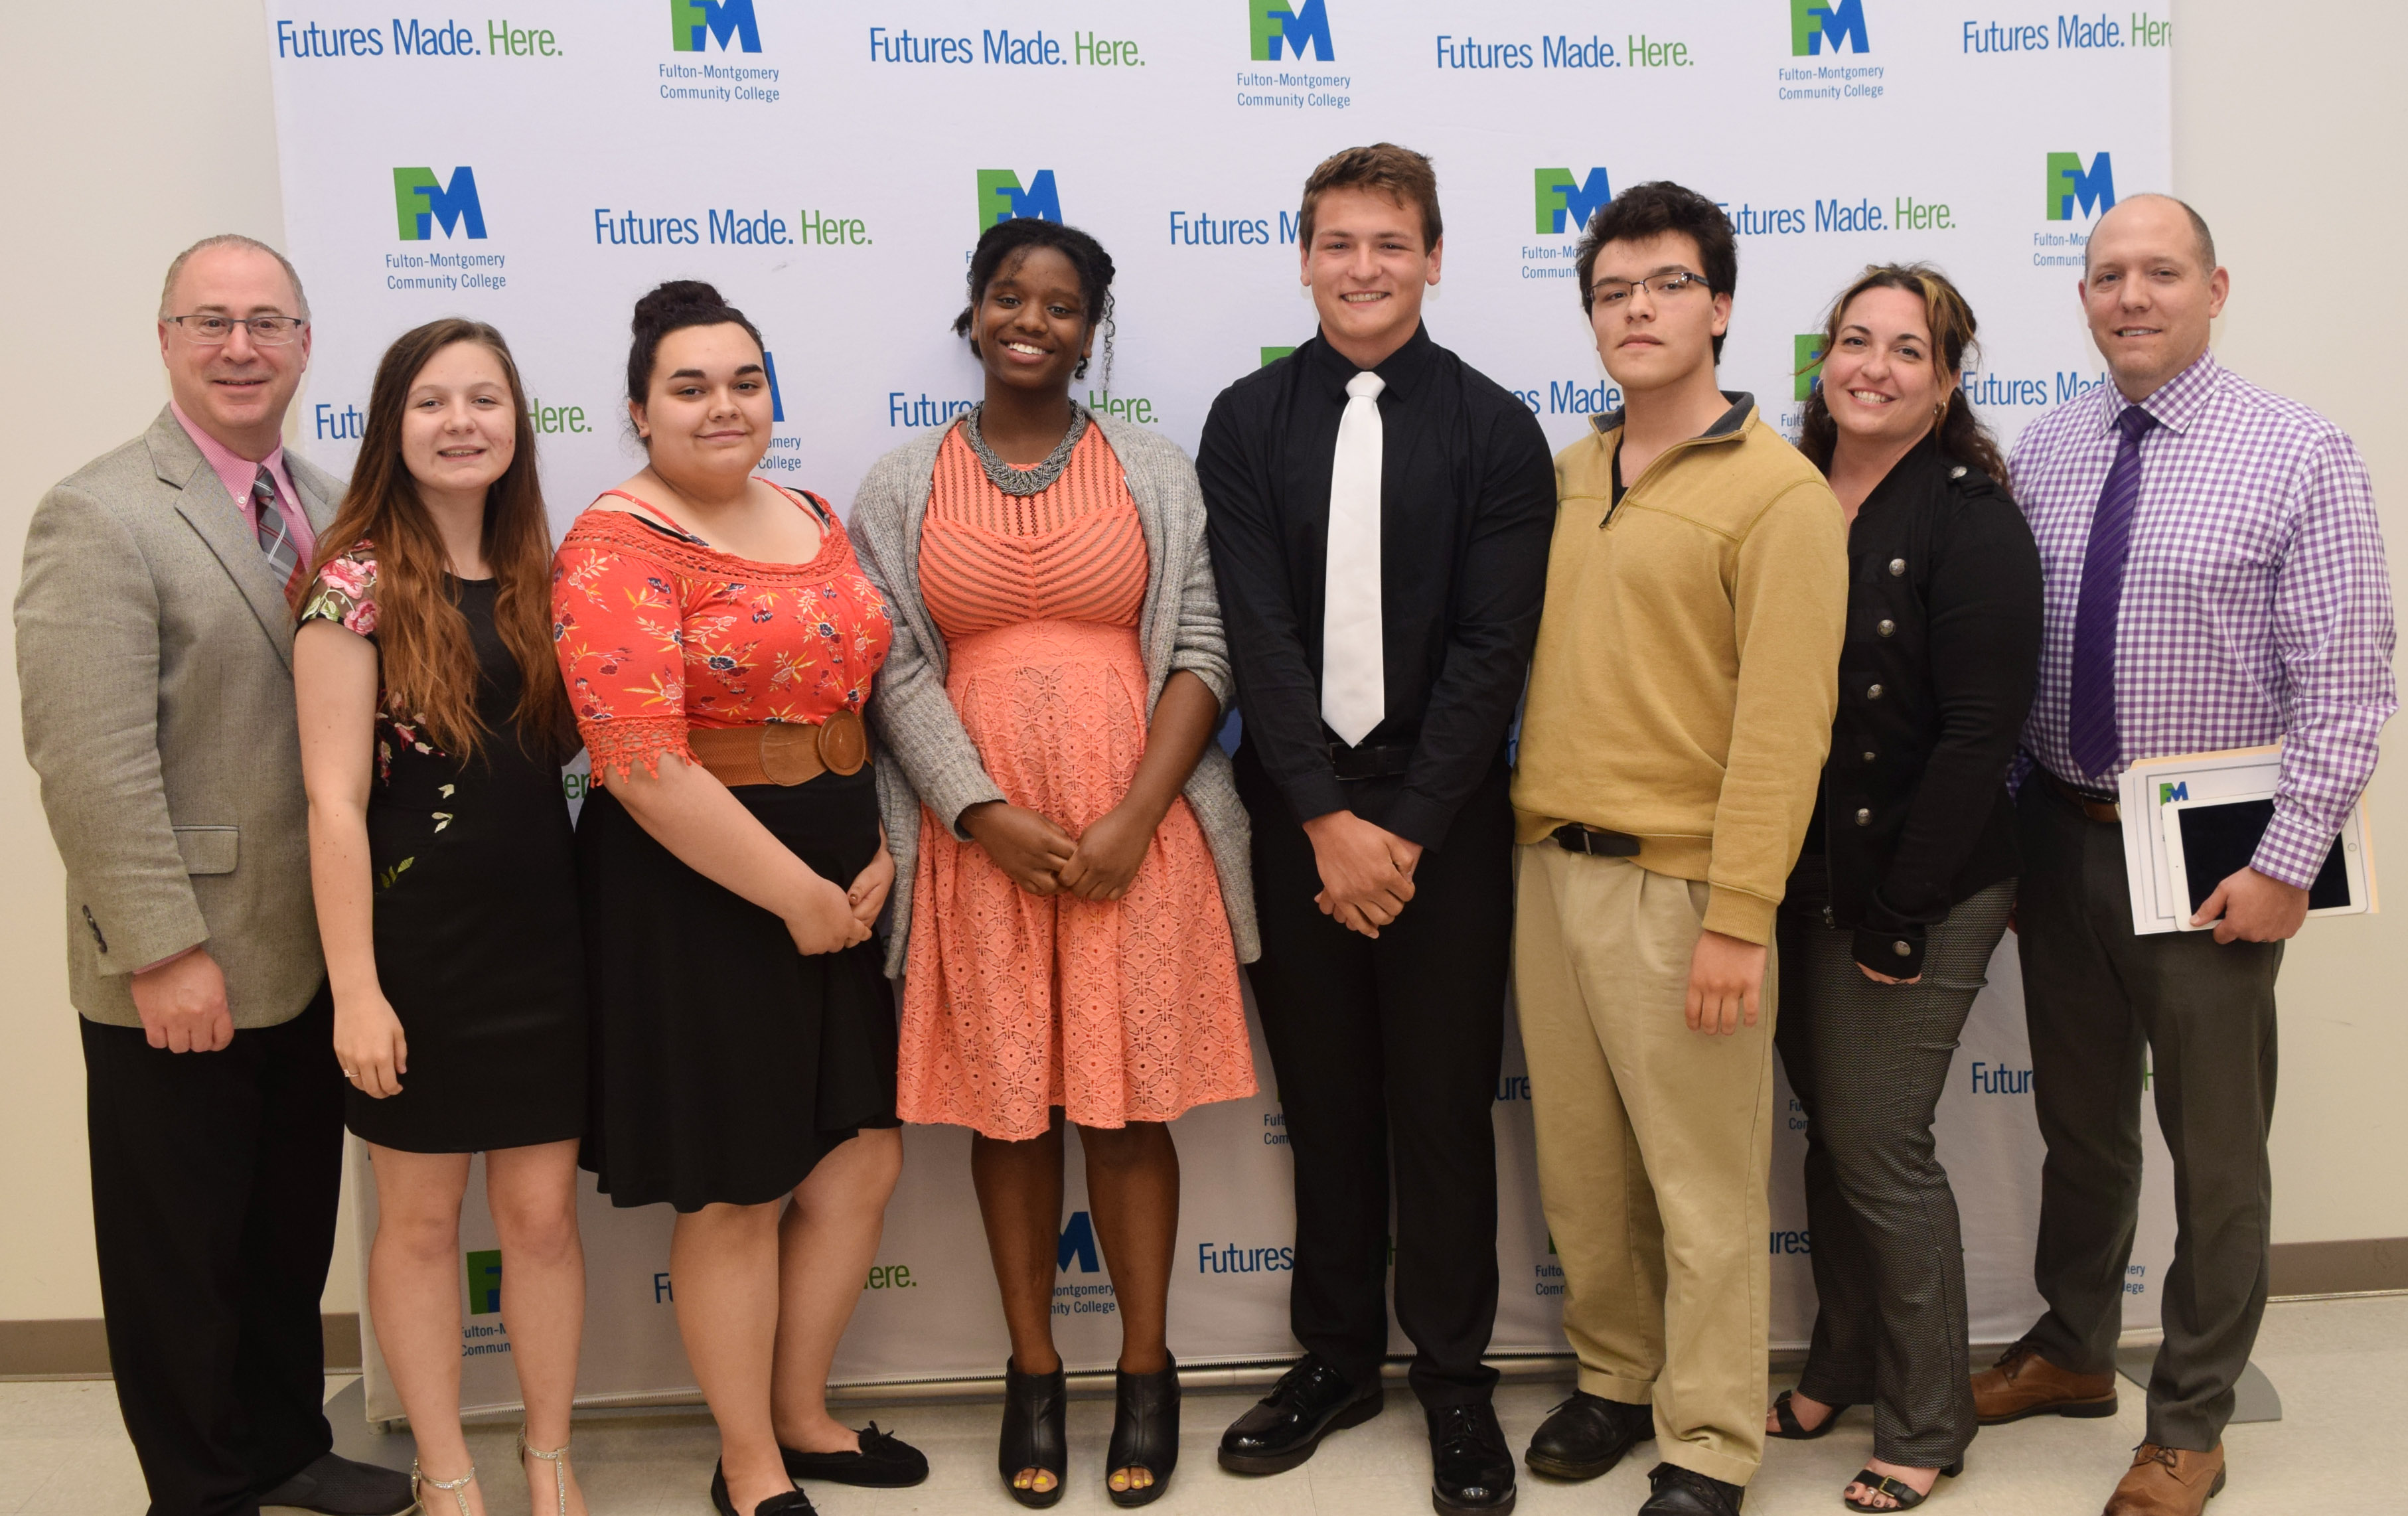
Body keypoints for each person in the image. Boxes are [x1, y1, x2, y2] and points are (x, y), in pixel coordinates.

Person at [1974, 195, 2394, 1516]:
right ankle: (2071, 1346)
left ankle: (2190, 1414)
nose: (2130, 295)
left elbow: (2344, 688)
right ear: (2082, 297)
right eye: (2106, 275)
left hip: (2216, 851)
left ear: (2214, 288)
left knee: (2212, 1151)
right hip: (2057, 829)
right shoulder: (2044, 446)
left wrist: (2282, 861)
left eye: (2159, 272)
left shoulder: (2296, 454)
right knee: (2076, 1126)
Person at [852, 216, 1257, 1510]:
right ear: (971, 312)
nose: (1032, 319)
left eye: (1062, 304)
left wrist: (1139, 813)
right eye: (1008, 296)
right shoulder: (898, 482)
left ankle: (1147, 1366)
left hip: (1134, 832)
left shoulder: (1155, 468)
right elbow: (890, 665)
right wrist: (976, 812)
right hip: (981, 849)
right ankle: (1033, 1371)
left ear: (1093, 330)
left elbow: (1204, 636)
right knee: (1012, 1111)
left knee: (1128, 1110)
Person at [14, 234, 412, 1516]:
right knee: (178, 1253)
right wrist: (162, 951)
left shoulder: (326, 497)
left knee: (285, 1234)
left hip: (312, 953)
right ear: (168, 339)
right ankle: (197, 1487)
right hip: (182, 961)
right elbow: (88, 760)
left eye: (267, 323)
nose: (240, 347)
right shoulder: (102, 509)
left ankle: (286, 1444)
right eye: (210, 323)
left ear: (304, 342)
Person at [1197, 143, 1554, 1516]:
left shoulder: (1491, 428)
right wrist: (1324, 820)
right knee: (1328, 1104)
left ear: (1434, 257)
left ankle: (1454, 1382)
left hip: (1441, 821)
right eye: (1338, 243)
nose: (1362, 268)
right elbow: (1258, 636)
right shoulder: (1247, 420)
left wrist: (1397, 832)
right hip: (1296, 813)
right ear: (1302, 257)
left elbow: (1488, 650)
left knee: (1443, 1110)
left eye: (1388, 244)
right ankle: (1336, 1357)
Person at [550, 281, 925, 1516]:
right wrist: (796, 898)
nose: (724, 406)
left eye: (745, 381)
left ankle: (804, 1413)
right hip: (699, 893)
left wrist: (875, 856)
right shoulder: (614, 543)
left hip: (842, 872)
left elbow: (861, 699)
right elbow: (645, 766)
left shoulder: (811, 511)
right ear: (639, 411)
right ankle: (747, 1463)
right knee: (740, 1185)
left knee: (858, 1161)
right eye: (690, 387)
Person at [1509, 181, 1848, 1516]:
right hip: (1549, 866)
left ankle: (1706, 1437)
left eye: (1662, 285)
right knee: (1583, 1173)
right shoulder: (1565, 470)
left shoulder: (1780, 495)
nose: (1634, 309)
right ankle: (1611, 1374)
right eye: (1609, 289)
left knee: (1701, 1186)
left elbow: (1781, 729)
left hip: (1684, 884)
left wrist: (1739, 912)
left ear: (1718, 305)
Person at [294, 319, 590, 1516]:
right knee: (419, 1227)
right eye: (431, 402)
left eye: (484, 399)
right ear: (391, 425)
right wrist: (357, 989)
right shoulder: (352, 579)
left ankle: (550, 1462)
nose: (460, 421)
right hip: (416, 957)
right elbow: (330, 804)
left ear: (517, 423)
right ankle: (448, 1471)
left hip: (547, 950)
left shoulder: (543, 572)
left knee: (542, 1220)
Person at [1759, 267, 2042, 1513]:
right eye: (1854, 341)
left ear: (1946, 378)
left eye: (1907, 350)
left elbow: (1981, 735)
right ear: (1824, 359)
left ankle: (1928, 1417)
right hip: (1796, 875)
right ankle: (1842, 1357)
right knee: (1831, 1137)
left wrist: (1903, 914)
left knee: (1880, 1146)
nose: (1874, 366)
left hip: (1918, 884)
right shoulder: (1782, 490)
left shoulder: (1971, 514)